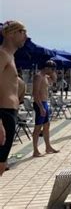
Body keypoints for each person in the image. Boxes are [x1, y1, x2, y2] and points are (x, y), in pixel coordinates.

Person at [0, 21, 28, 176]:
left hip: (9, 113)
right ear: (11, 34)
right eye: (22, 31)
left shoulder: (10, 57)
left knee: (2, 165)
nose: (26, 36)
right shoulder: (2, 54)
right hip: (2, 113)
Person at [32, 60, 59, 157]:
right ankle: (35, 150)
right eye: (52, 69)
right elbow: (35, 93)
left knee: (47, 125)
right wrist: (41, 107)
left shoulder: (46, 77)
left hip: (45, 103)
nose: (53, 71)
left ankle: (48, 147)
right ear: (46, 68)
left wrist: (53, 72)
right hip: (40, 103)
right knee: (38, 128)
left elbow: (55, 80)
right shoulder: (38, 76)